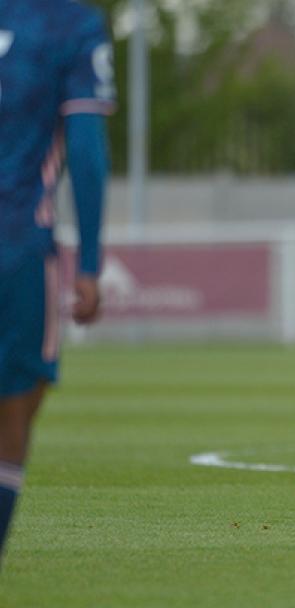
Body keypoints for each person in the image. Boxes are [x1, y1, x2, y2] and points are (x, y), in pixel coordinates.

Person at [0, 0, 115, 565]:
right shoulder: (71, 23)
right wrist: (89, 264)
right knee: (14, 414)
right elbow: (86, 153)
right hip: (16, 245)